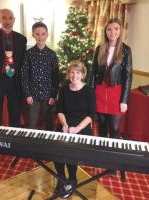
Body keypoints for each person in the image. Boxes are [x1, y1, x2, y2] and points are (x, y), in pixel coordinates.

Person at [92, 18, 132, 173]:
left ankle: (113, 164)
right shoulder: (99, 48)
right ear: (105, 31)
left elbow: (128, 75)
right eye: (109, 29)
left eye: (116, 28)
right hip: (100, 92)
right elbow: (94, 73)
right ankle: (103, 158)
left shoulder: (126, 50)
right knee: (101, 128)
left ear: (120, 30)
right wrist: (91, 95)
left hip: (116, 93)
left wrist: (124, 99)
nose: (112, 32)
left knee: (114, 129)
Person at [53, 60, 95, 198]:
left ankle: (72, 178)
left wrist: (77, 129)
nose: (74, 75)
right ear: (68, 74)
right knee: (56, 151)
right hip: (65, 126)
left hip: (82, 127)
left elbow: (91, 115)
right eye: (72, 72)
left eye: (78, 73)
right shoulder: (64, 89)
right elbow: (59, 110)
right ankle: (61, 178)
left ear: (83, 75)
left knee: (70, 152)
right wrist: (64, 124)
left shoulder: (89, 91)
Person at [0, 9, 27, 131]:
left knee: (15, 109)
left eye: (9, 18)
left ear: (14, 20)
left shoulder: (21, 39)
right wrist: (0, 70)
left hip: (14, 79)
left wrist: (12, 71)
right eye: (4, 18)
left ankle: (15, 135)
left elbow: (21, 60)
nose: (7, 21)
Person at [21, 22, 59, 130]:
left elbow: (56, 77)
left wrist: (53, 95)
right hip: (33, 94)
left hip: (48, 94)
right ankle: (31, 143)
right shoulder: (28, 54)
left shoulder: (52, 54)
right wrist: (27, 94)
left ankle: (49, 143)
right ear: (33, 35)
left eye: (43, 34)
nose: (40, 37)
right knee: (32, 121)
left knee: (49, 121)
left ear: (47, 35)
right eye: (37, 34)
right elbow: (25, 75)